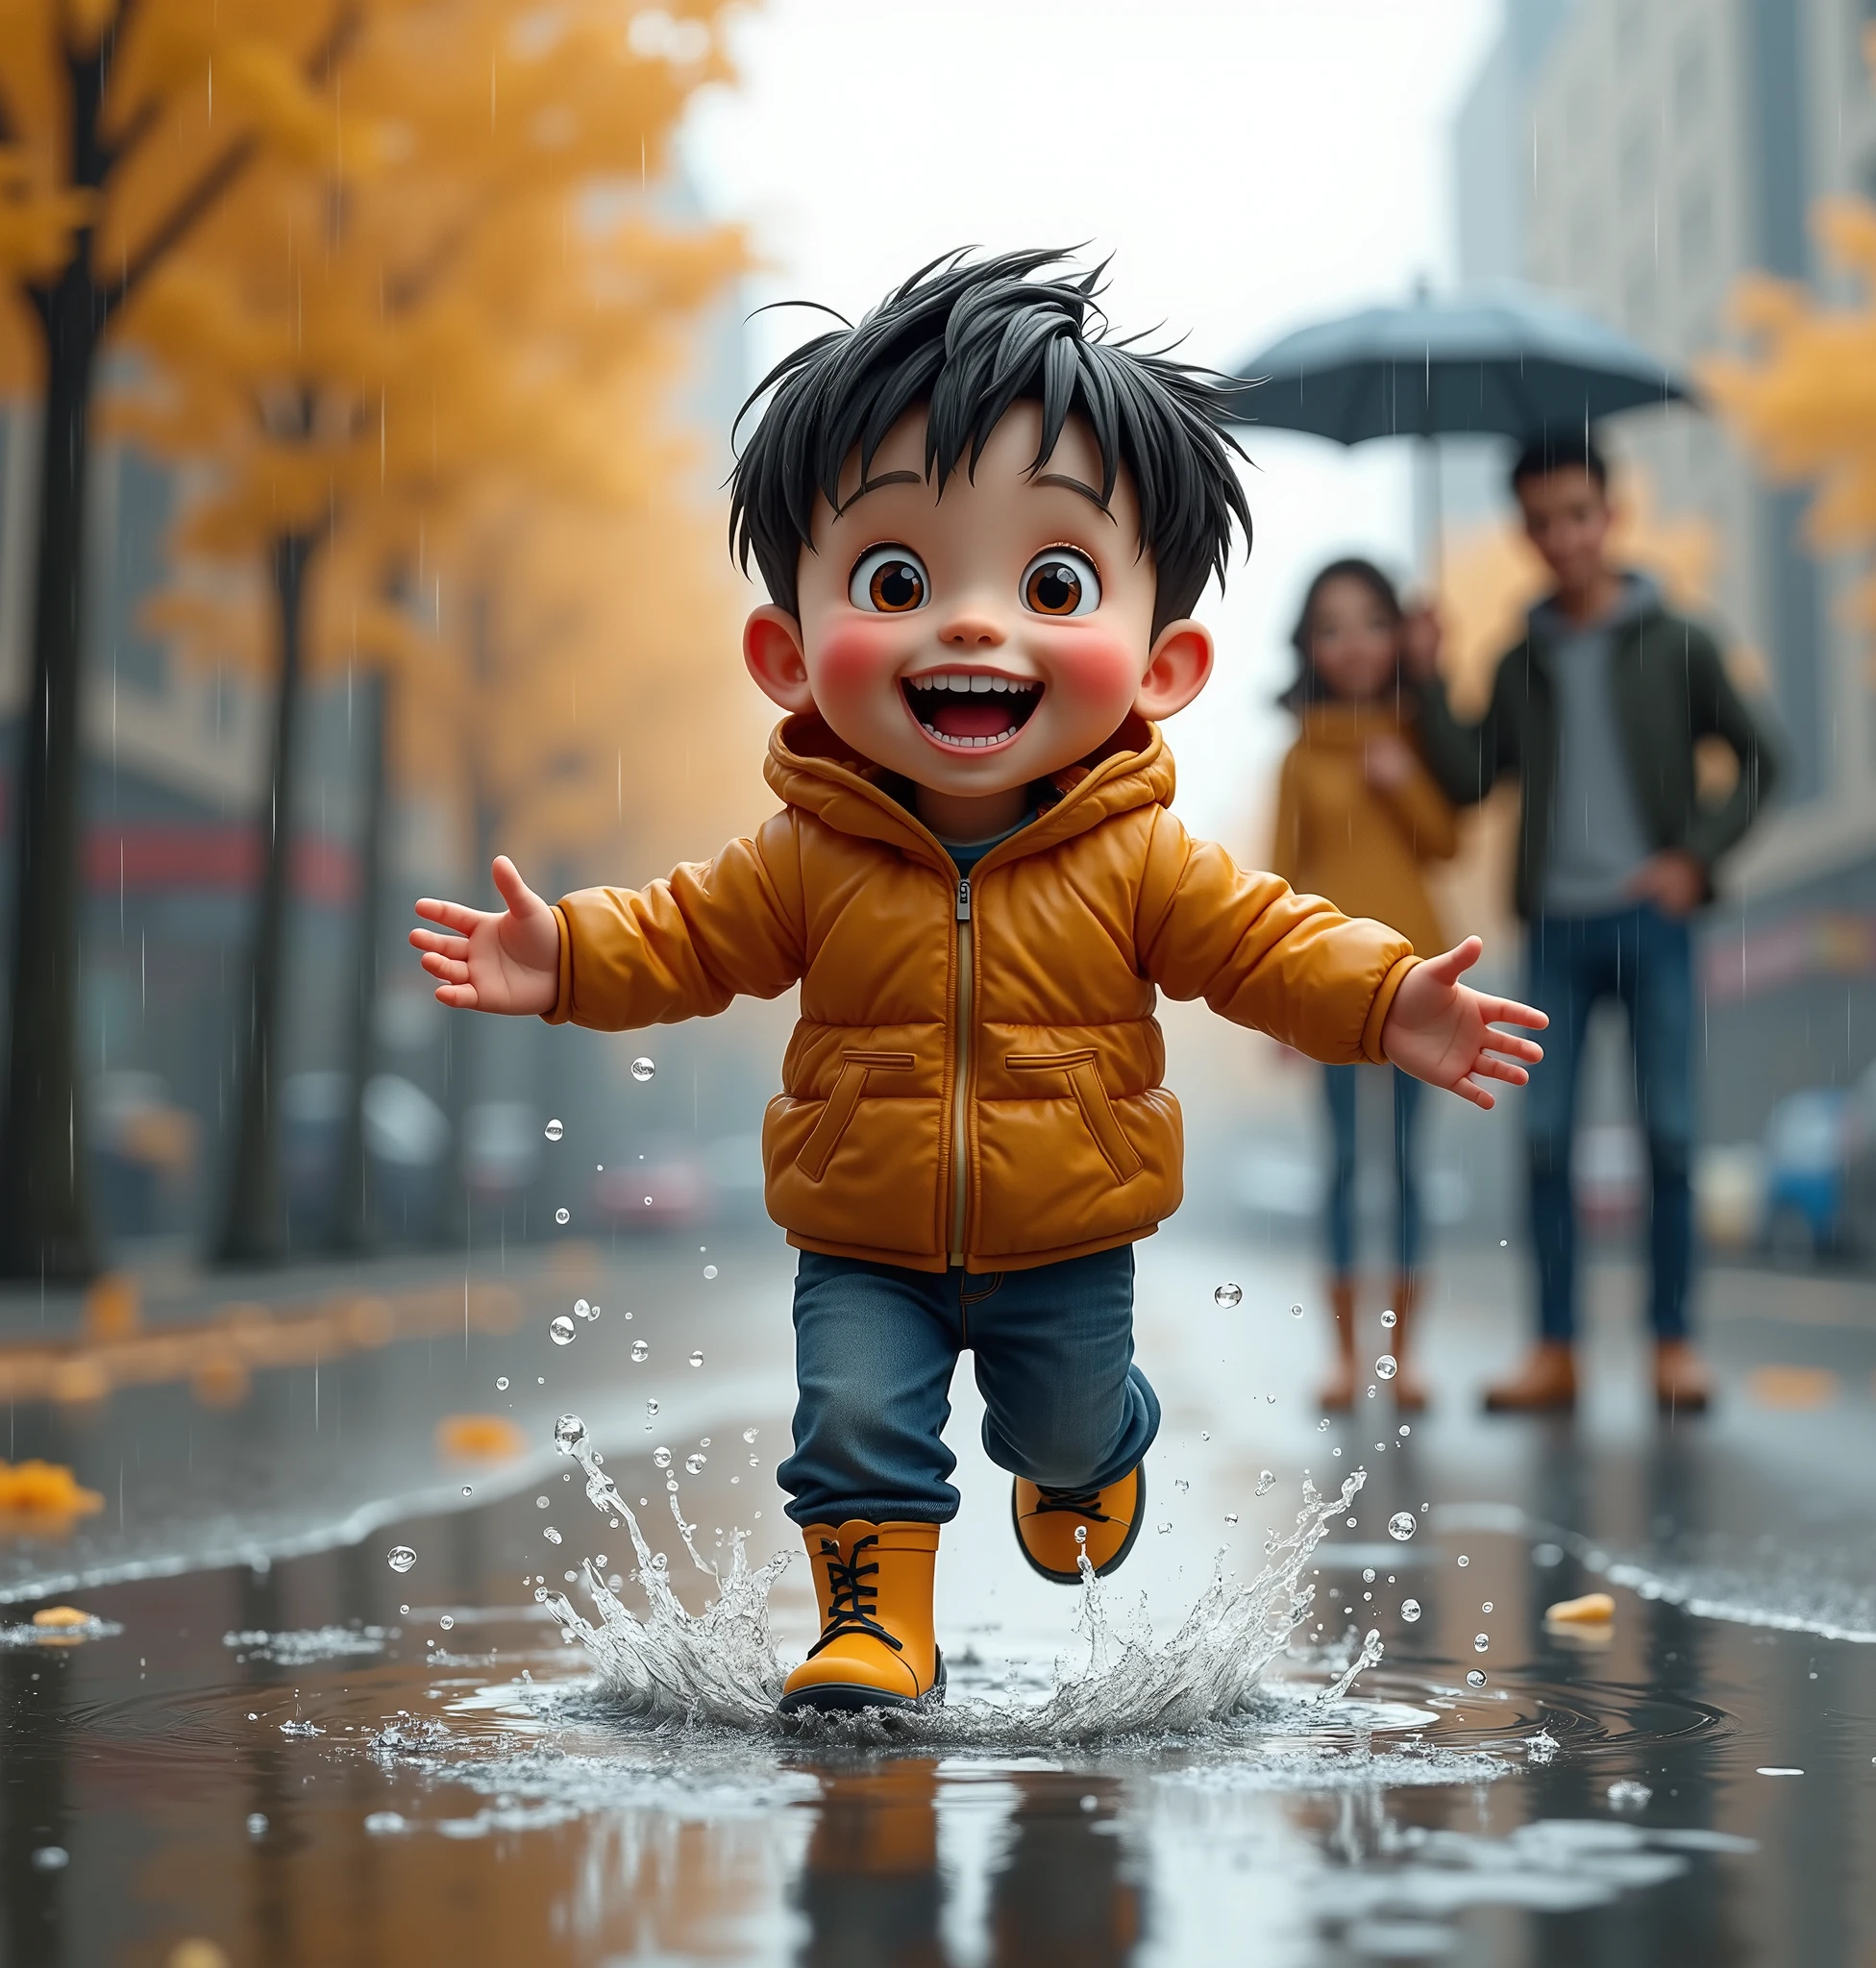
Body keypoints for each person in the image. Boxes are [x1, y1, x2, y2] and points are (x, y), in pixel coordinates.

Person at [409, 252, 1546, 1715]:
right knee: (851, 1422)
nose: (971, 625)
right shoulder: (806, 856)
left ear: (1163, 663)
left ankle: (1099, 1449)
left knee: (1061, 1432)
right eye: (898, 579)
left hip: (1065, 1236)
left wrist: (1393, 1001)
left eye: (1052, 582)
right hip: (862, 1229)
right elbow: (688, 936)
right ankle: (876, 1627)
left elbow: (1268, 943)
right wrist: (563, 957)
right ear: (788, 654)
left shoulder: (1139, 861)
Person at [1408, 430, 1781, 1415]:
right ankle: (1555, 1349)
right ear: (1525, 533)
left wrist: (1694, 856)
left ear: (1607, 515)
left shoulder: (1678, 640)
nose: (1560, 538)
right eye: (1539, 522)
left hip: (1651, 921)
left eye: (1575, 515)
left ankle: (1670, 1345)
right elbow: (1468, 776)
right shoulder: (1519, 659)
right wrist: (1427, 675)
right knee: (1541, 1142)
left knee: (1666, 1133)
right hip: (1558, 931)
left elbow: (1760, 758)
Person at [1272, 558, 1459, 1412]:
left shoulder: (1416, 736)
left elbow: (1445, 843)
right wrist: (1277, 1004)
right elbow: (1276, 883)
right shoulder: (1300, 754)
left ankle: (1407, 1358)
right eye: (1333, 626)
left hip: (1419, 978)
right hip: (1334, 985)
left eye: (1371, 623)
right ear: (1310, 645)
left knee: (1410, 1169)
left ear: (1396, 637)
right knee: (1346, 1166)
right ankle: (1346, 1360)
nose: (1352, 644)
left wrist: (1406, 777)